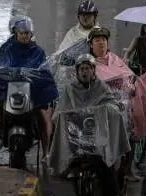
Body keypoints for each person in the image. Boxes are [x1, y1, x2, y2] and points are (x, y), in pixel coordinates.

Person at [49, 54, 129, 196]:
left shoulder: (101, 86)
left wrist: (112, 108)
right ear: (77, 71)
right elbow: (60, 110)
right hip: (74, 137)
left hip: (96, 137)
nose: (85, 72)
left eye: (87, 68)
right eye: (82, 69)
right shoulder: (70, 88)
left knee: (106, 167)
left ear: (93, 70)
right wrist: (62, 116)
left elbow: (111, 102)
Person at [0, 16, 57, 154]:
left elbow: (45, 68)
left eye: (27, 33)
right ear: (16, 33)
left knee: (43, 115)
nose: (25, 36)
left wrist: (44, 73)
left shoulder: (38, 51)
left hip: (32, 89)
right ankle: (1, 135)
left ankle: (46, 152)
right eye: (22, 33)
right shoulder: (7, 48)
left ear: (31, 34)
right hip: (9, 87)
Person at [86, 26, 146, 144]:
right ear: (91, 45)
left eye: (104, 40)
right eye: (97, 40)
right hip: (103, 101)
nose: (101, 43)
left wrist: (132, 85)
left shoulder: (114, 58)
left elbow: (128, 76)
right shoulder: (88, 63)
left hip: (125, 96)